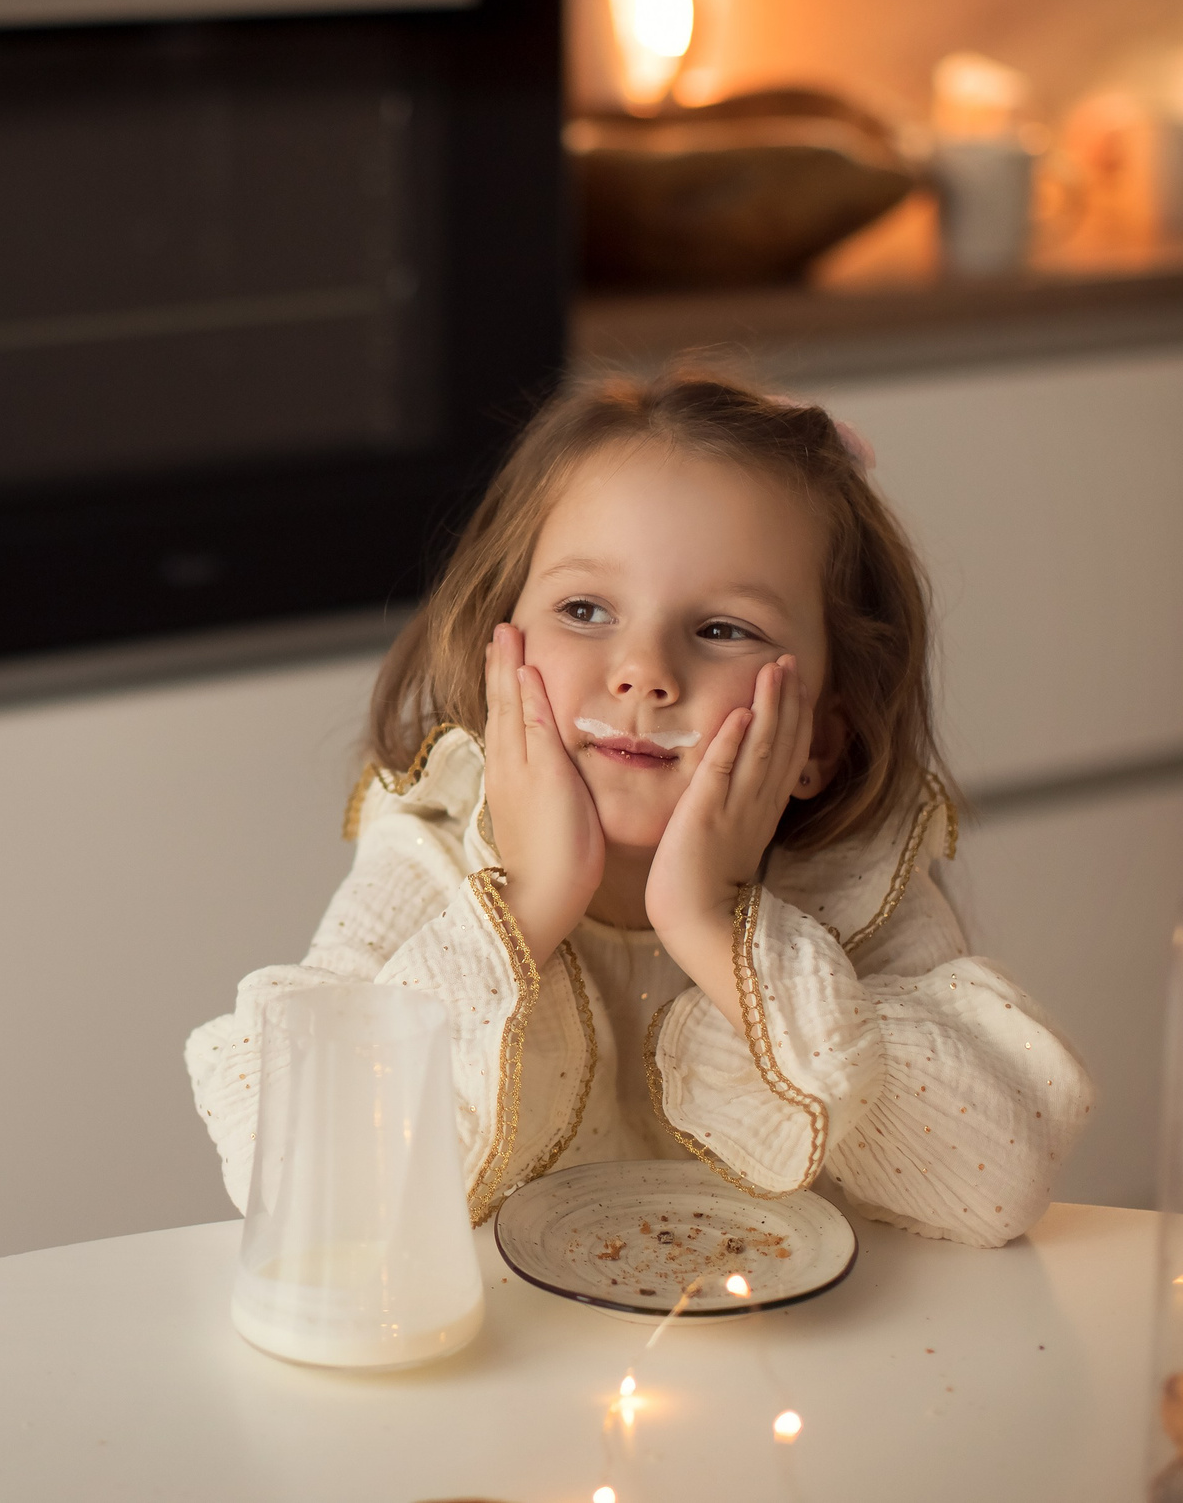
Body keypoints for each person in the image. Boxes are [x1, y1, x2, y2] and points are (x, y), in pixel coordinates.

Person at [186, 369, 1093, 1247]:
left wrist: (714, 923)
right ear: (501, 647)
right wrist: (531, 900)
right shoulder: (430, 856)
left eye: (723, 629)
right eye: (585, 608)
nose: (643, 671)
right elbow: (288, 1159)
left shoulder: (850, 890)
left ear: (818, 739)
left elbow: (997, 1181)